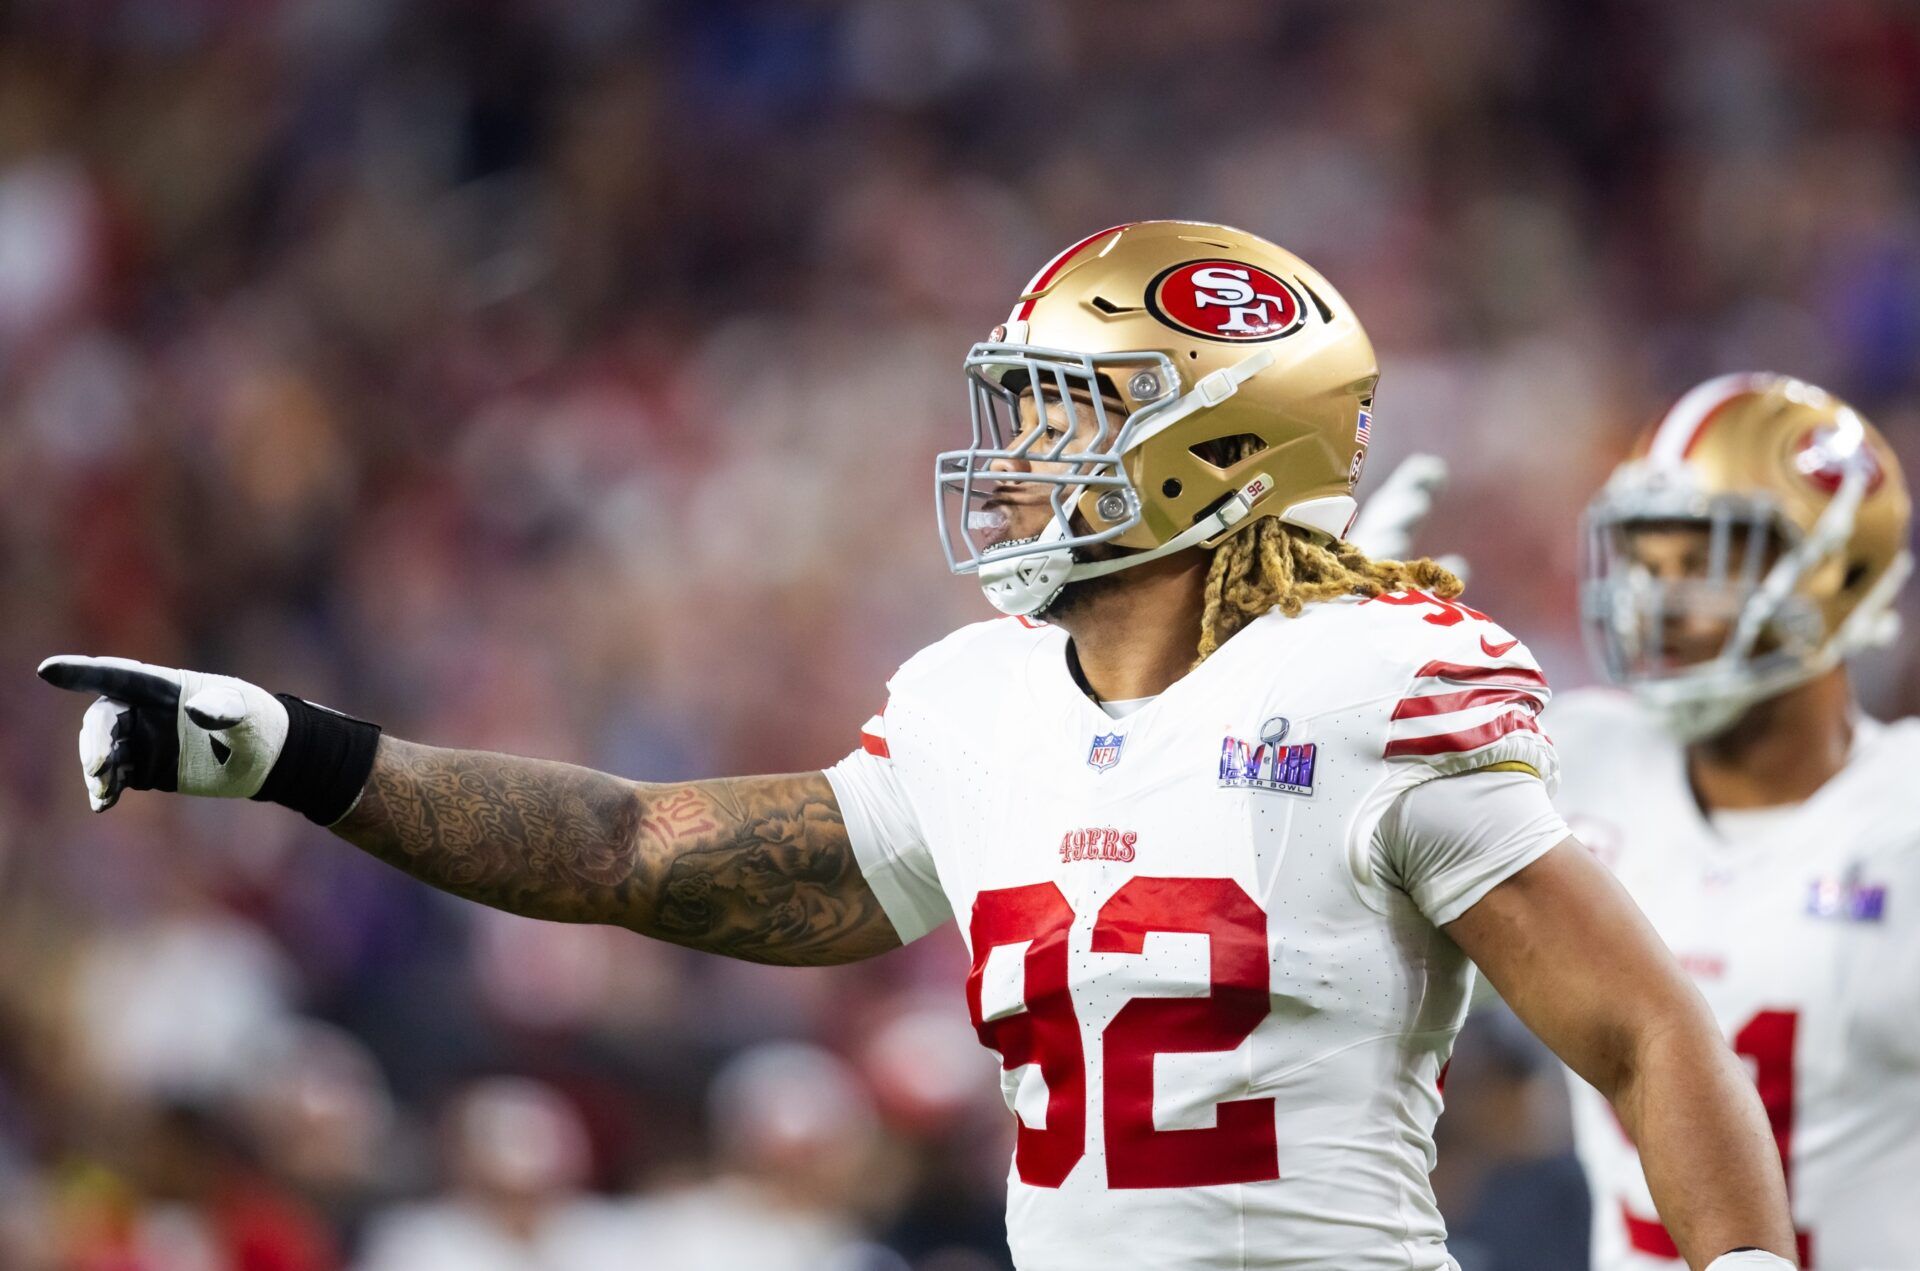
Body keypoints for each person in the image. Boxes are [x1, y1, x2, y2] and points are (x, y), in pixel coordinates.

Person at [40, 222, 1796, 1271]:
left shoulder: (1379, 681)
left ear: (1214, 446)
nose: (1019, 455)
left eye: (1066, 412)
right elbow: (637, 852)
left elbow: (1643, 1025)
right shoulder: (976, 704)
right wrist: (295, 755)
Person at [1352, 373, 1915, 1270]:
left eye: (1703, 563)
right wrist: (1333, 685)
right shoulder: (1576, 758)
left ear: (1837, 569)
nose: (1657, 601)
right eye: (1646, 564)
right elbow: (1323, 902)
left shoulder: (1903, 818)